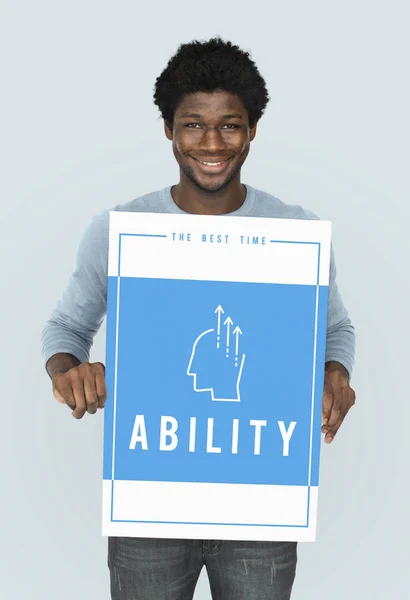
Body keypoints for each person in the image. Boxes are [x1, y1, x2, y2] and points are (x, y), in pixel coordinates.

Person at [41, 37, 356, 600]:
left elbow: (334, 329)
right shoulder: (119, 229)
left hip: (261, 504)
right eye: (193, 125)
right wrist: (68, 371)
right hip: (150, 506)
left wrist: (335, 371)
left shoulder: (296, 232)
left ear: (253, 129)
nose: (211, 143)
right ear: (168, 128)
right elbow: (65, 330)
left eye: (230, 125)